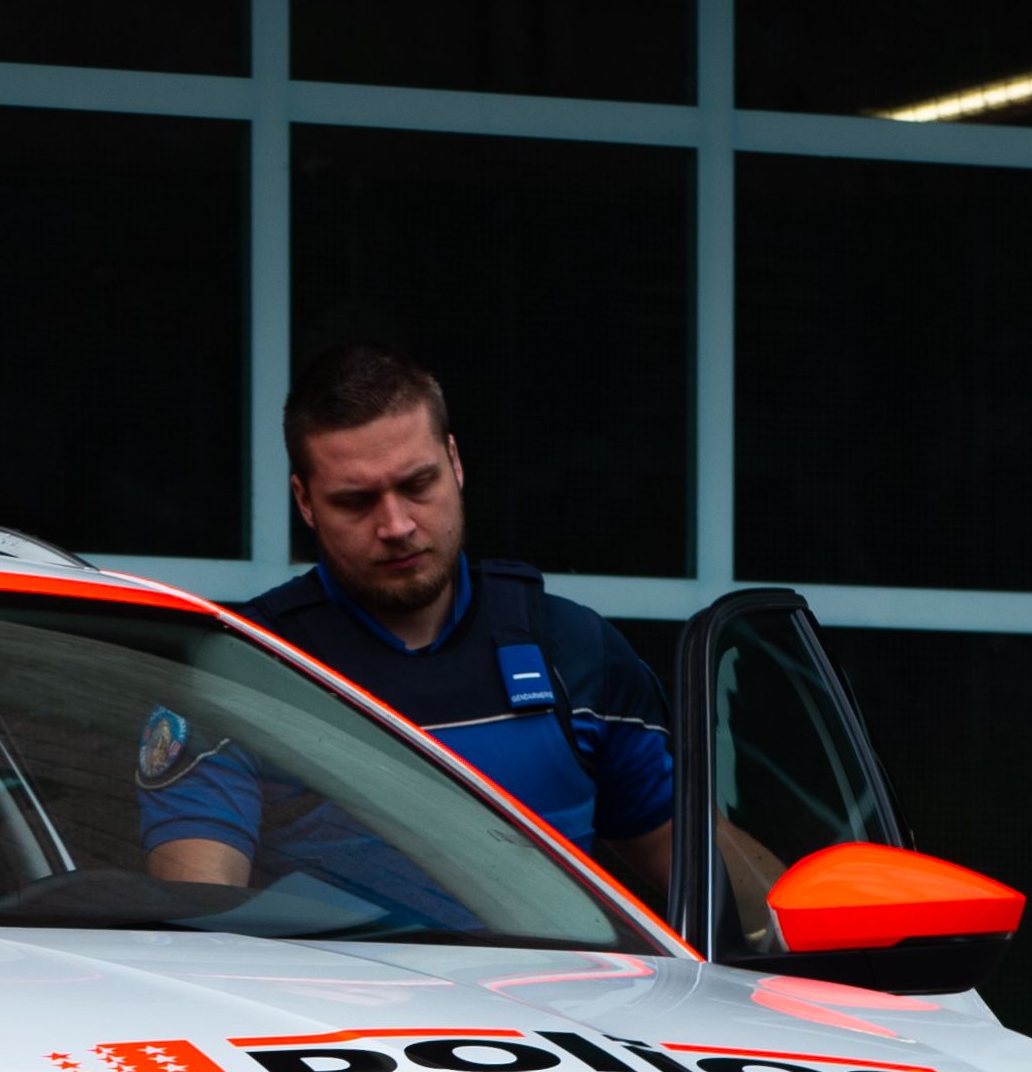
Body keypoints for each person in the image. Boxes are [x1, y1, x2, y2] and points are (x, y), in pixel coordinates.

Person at [142, 343, 680, 918]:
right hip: (346, 1007)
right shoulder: (245, 668)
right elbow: (199, 923)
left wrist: (776, 949)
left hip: (560, 1005)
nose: (396, 526)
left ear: (455, 461)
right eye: (356, 501)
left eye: (418, 484)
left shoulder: (574, 652)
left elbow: (695, 864)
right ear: (305, 501)